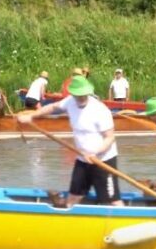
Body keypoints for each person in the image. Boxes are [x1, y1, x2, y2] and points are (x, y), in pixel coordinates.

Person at [18, 75, 124, 207]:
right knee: (73, 198)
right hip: (82, 159)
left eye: (83, 95)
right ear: (73, 94)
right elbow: (53, 107)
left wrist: (95, 153)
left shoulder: (100, 110)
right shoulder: (69, 102)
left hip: (103, 160)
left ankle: (125, 215)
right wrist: (32, 115)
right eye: (78, 95)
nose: (81, 97)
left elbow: (110, 137)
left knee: (112, 200)